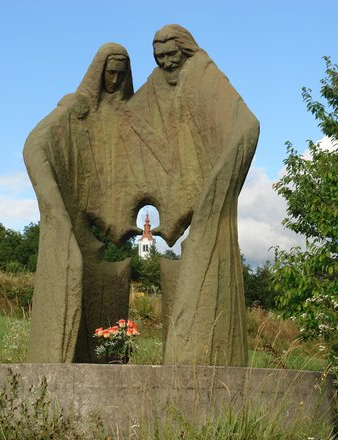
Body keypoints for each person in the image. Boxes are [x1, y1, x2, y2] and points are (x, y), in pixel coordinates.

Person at [126, 25, 260, 366]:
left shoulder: (202, 71)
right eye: (159, 58)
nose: (167, 62)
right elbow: (129, 115)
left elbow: (247, 125)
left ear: (185, 48)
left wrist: (220, 184)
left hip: (209, 187)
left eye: (171, 54)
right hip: (185, 177)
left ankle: (205, 356)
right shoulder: (160, 80)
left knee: (203, 258)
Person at [24, 43, 134, 363]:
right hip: (72, 214)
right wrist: (55, 211)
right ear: (98, 71)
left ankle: (107, 355)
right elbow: (34, 146)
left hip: (98, 216)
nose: (114, 81)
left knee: (109, 278)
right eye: (110, 73)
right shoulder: (75, 107)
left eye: (120, 76)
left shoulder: (123, 117)